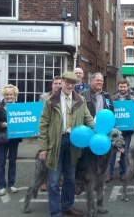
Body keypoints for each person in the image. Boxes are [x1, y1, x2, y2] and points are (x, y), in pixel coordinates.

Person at [38, 71, 94, 217]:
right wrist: (43, 147)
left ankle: (67, 206)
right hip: (56, 144)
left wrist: (96, 135)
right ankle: (55, 212)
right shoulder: (51, 101)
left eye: (73, 83)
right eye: (67, 82)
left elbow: (88, 120)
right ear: (61, 82)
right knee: (54, 181)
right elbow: (43, 124)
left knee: (70, 178)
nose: (70, 85)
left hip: (74, 144)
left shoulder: (80, 100)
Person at [78, 72, 114, 194]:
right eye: (97, 80)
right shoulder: (83, 95)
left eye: (101, 81)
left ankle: (99, 177)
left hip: (104, 131)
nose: (100, 83)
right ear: (92, 81)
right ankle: (81, 181)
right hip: (88, 130)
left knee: (102, 155)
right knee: (86, 156)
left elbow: (111, 112)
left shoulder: (107, 96)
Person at [0, 84, 22, 196]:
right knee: (1, 163)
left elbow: (23, 121)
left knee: (12, 162)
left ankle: (11, 184)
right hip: (2, 138)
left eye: (11, 94)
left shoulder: (18, 106)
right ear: (4, 95)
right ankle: (2, 186)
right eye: (7, 95)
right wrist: (3, 124)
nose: (9, 97)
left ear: (15, 95)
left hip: (14, 139)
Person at [107, 78, 134, 183]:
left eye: (124, 86)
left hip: (127, 132)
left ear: (128, 87)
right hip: (115, 131)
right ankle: (109, 174)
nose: (123, 88)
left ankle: (123, 173)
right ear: (118, 87)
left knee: (125, 152)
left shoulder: (133, 99)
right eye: (121, 86)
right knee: (112, 153)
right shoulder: (112, 98)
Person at [39, 76, 63, 191]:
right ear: (52, 85)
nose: (58, 85)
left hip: (58, 133)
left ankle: (58, 179)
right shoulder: (44, 97)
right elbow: (38, 116)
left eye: (59, 83)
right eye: (55, 83)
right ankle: (43, 181)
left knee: (59, 158)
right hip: (46, 132)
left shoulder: (64, 97)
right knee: (44, 159)